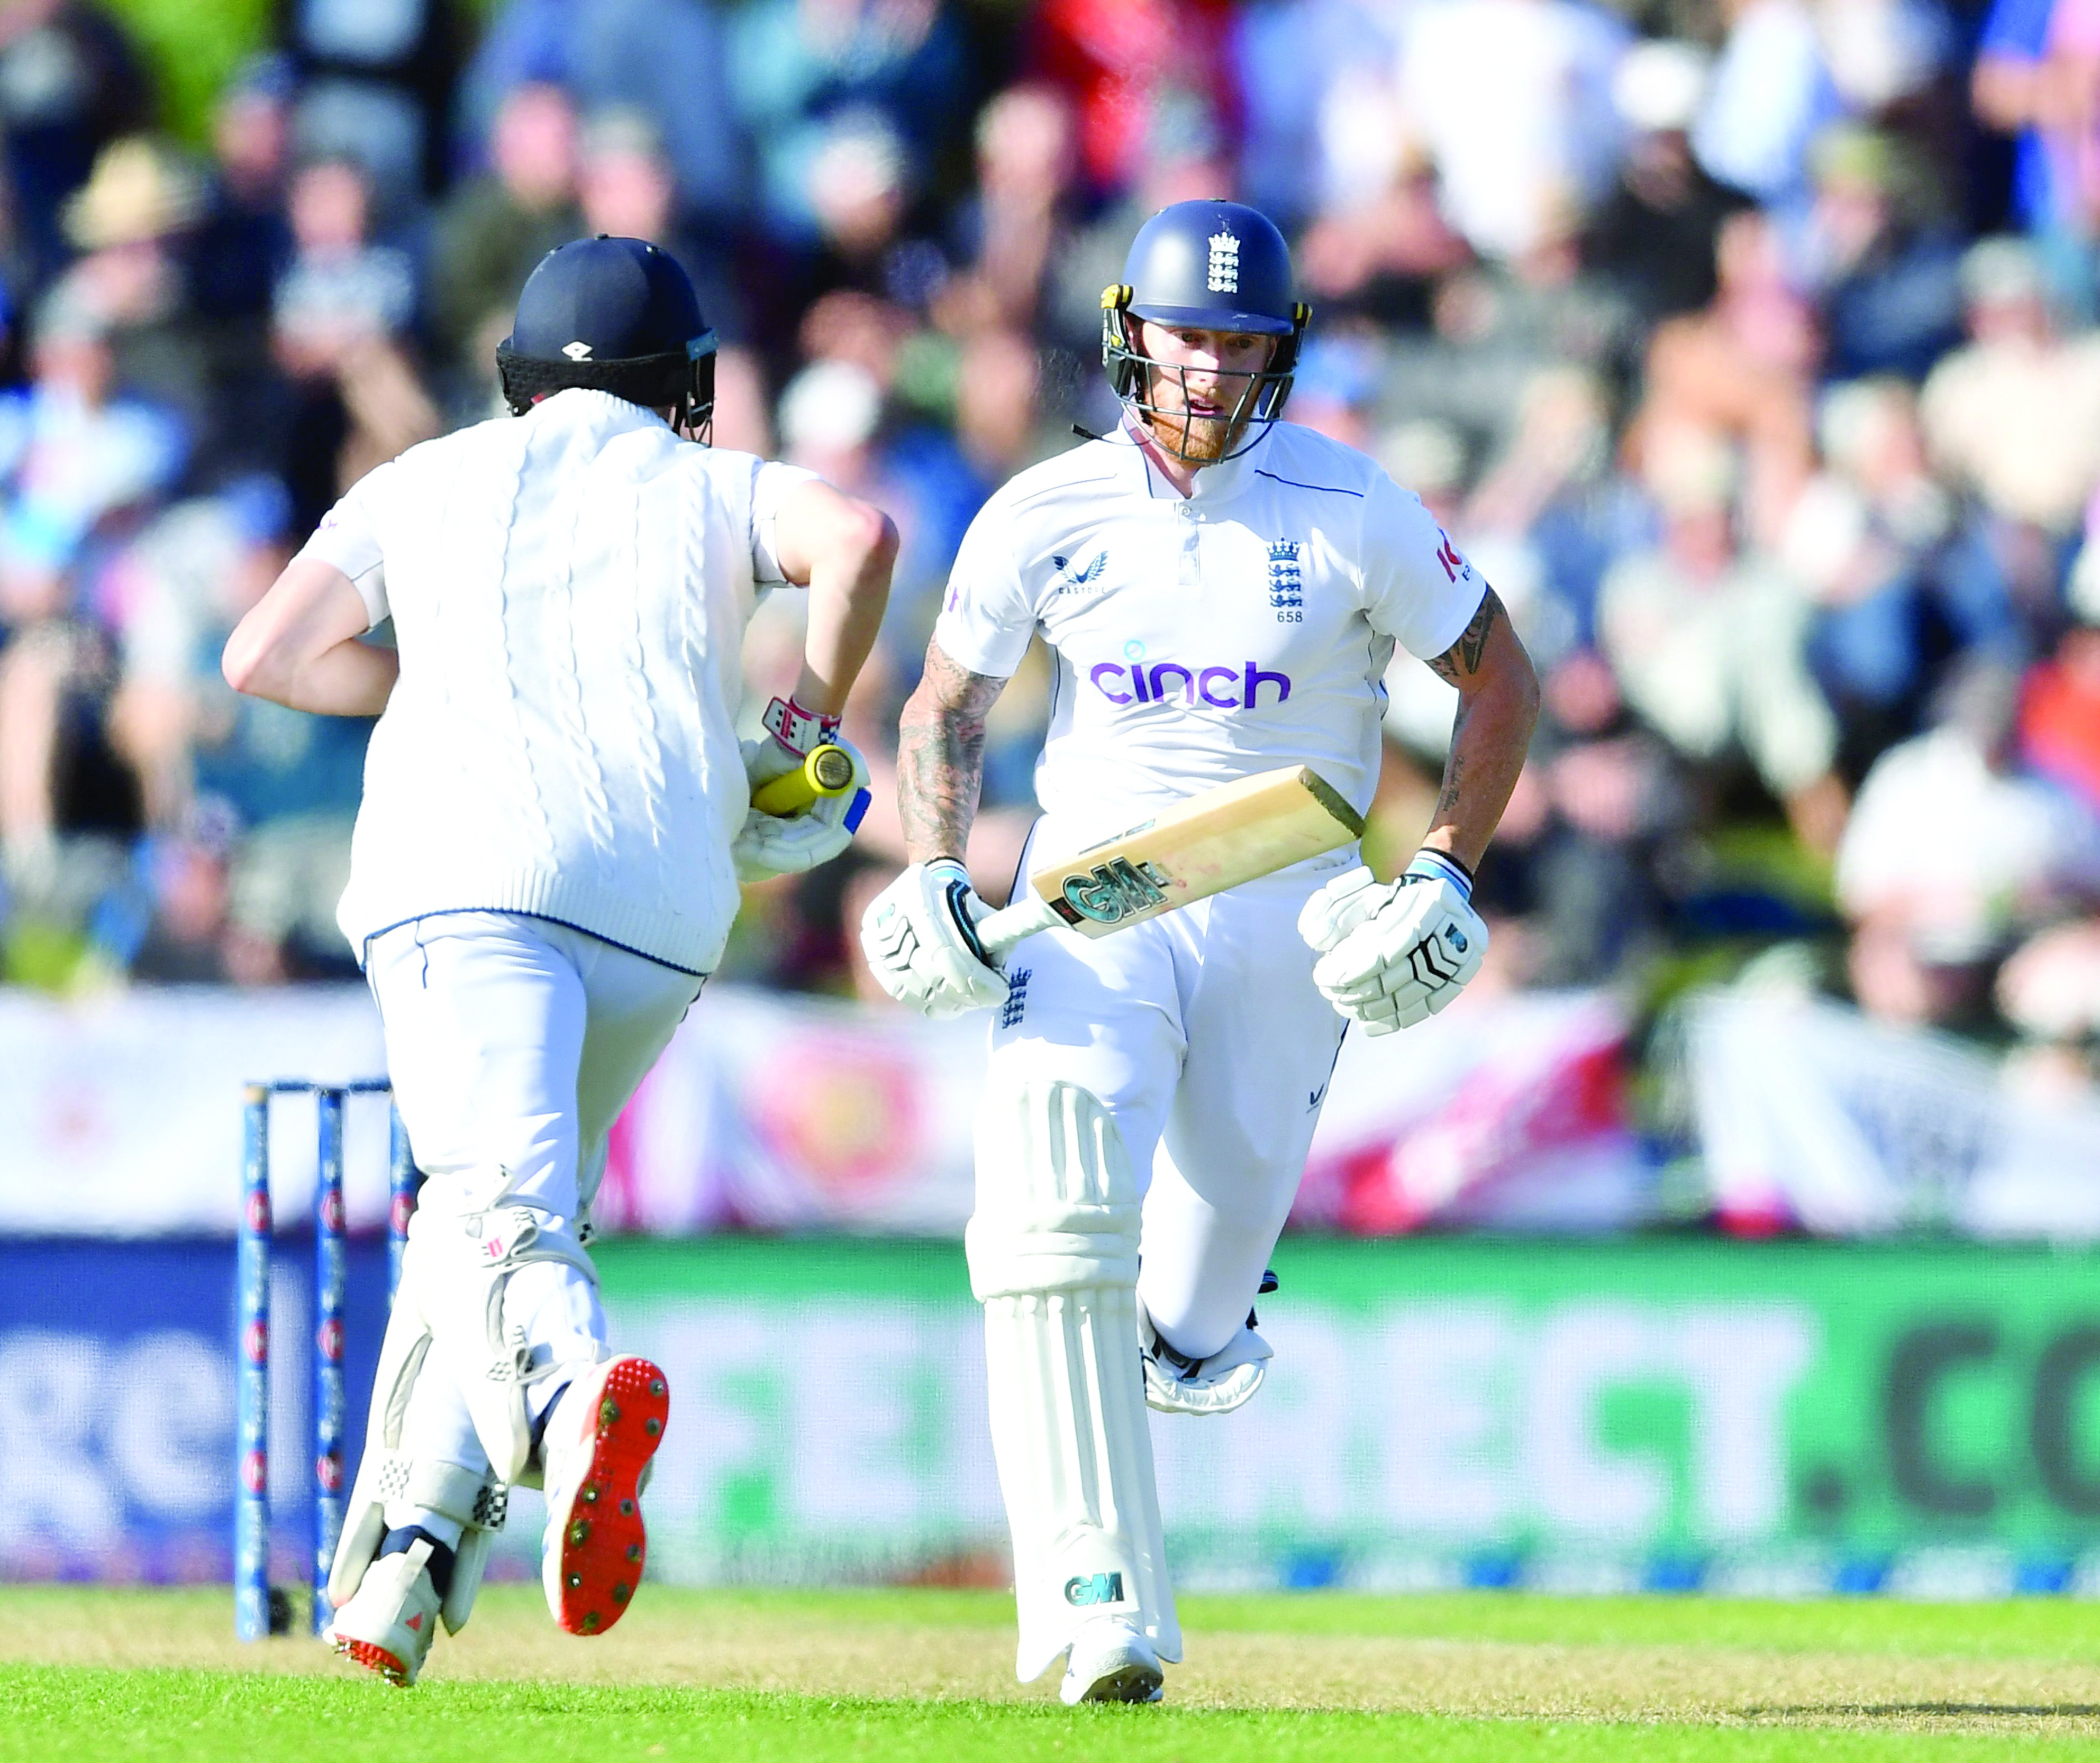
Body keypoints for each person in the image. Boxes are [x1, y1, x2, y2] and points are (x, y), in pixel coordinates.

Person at [860, 200, 1539, 1703]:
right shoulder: (1046, 509)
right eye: (1188, 336)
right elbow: (947, 706)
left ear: (1281, 351)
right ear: (1129, 335)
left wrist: (1440, 871)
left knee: (1196, 1295)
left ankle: (1190, 1334)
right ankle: (1097, 1606)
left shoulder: (1351, 504)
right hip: (1095, 893)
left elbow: (1502, 686)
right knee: (1051, 1205)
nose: (1212, 370)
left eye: (1242, 341)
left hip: (1287, 904)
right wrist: (930, 871)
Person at [222, 235, 895, 1683]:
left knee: (496, 1214)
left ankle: (581, 1399)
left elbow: (262, 658)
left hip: (470, 890)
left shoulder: (426, 476)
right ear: (686, 385)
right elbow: (861, 541)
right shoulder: (717, 484)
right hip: (666, 915)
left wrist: (438, 674)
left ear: (518, 379)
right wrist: (807, 722)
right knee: (488, 1208)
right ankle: (410, 1558)